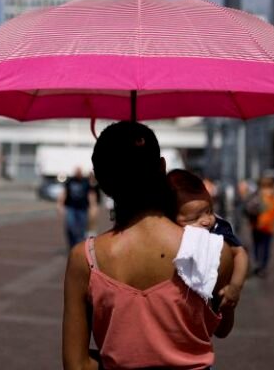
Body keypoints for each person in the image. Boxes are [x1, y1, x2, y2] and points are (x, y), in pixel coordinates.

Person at [63, 121, 235, 370]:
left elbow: (75, 365)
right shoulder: (215, 251)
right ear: (162, 167)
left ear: (101, 180)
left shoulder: (85, 258)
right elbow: (222, 329)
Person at [167, 169, 249, 309]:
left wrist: (235, 288)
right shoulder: (169, 232)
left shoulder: (219, 226)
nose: (206, 220)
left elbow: (240, 253)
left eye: (209, 211)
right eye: (194, 218)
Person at [248, 176, 274, 278]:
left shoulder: (256, 193)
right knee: (266, 246)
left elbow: (248, 206)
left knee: (257, 245)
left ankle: (259, 264)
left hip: (257, 224)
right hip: (268, 225)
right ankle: (263, 266)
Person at [57, 167, 96, 249]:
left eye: (79, 172)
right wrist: (60, 204)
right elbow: (64, 193)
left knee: (82, 228)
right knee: (70, 225)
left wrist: (93, 206)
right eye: (76, 172)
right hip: (71, 207)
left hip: (82, 208)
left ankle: (79, 246)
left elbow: (91, 195)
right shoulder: (70, 181)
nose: (78, 173)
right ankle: (72, 244)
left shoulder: (85, 182)